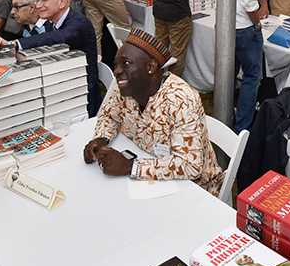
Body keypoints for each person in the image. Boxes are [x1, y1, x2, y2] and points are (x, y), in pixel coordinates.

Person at [83, 29, 224, 195]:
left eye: (126, 64)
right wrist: (101, 138)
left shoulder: (182, 99)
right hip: (147, 171)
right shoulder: (124, 85)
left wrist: (131, 167)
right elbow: (109, 115)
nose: (117, 72)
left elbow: (190, 166)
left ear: (151, 67)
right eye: (116, 65)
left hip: (194, 189)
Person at [0, 0, 101, 116]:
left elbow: (56, 37)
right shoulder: (56, 22)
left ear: (62, 2)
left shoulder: (79, 23)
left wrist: (14, 44)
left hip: (83, 95)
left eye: (44, 1)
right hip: (65, 83)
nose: (38, 6)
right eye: (38, 1)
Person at [211, 0, 264, 133]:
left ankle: (224, 119)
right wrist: (256, 21)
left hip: (225, 25)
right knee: (251, 77)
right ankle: (242, 125)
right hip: (244, 27)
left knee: (227, 75)